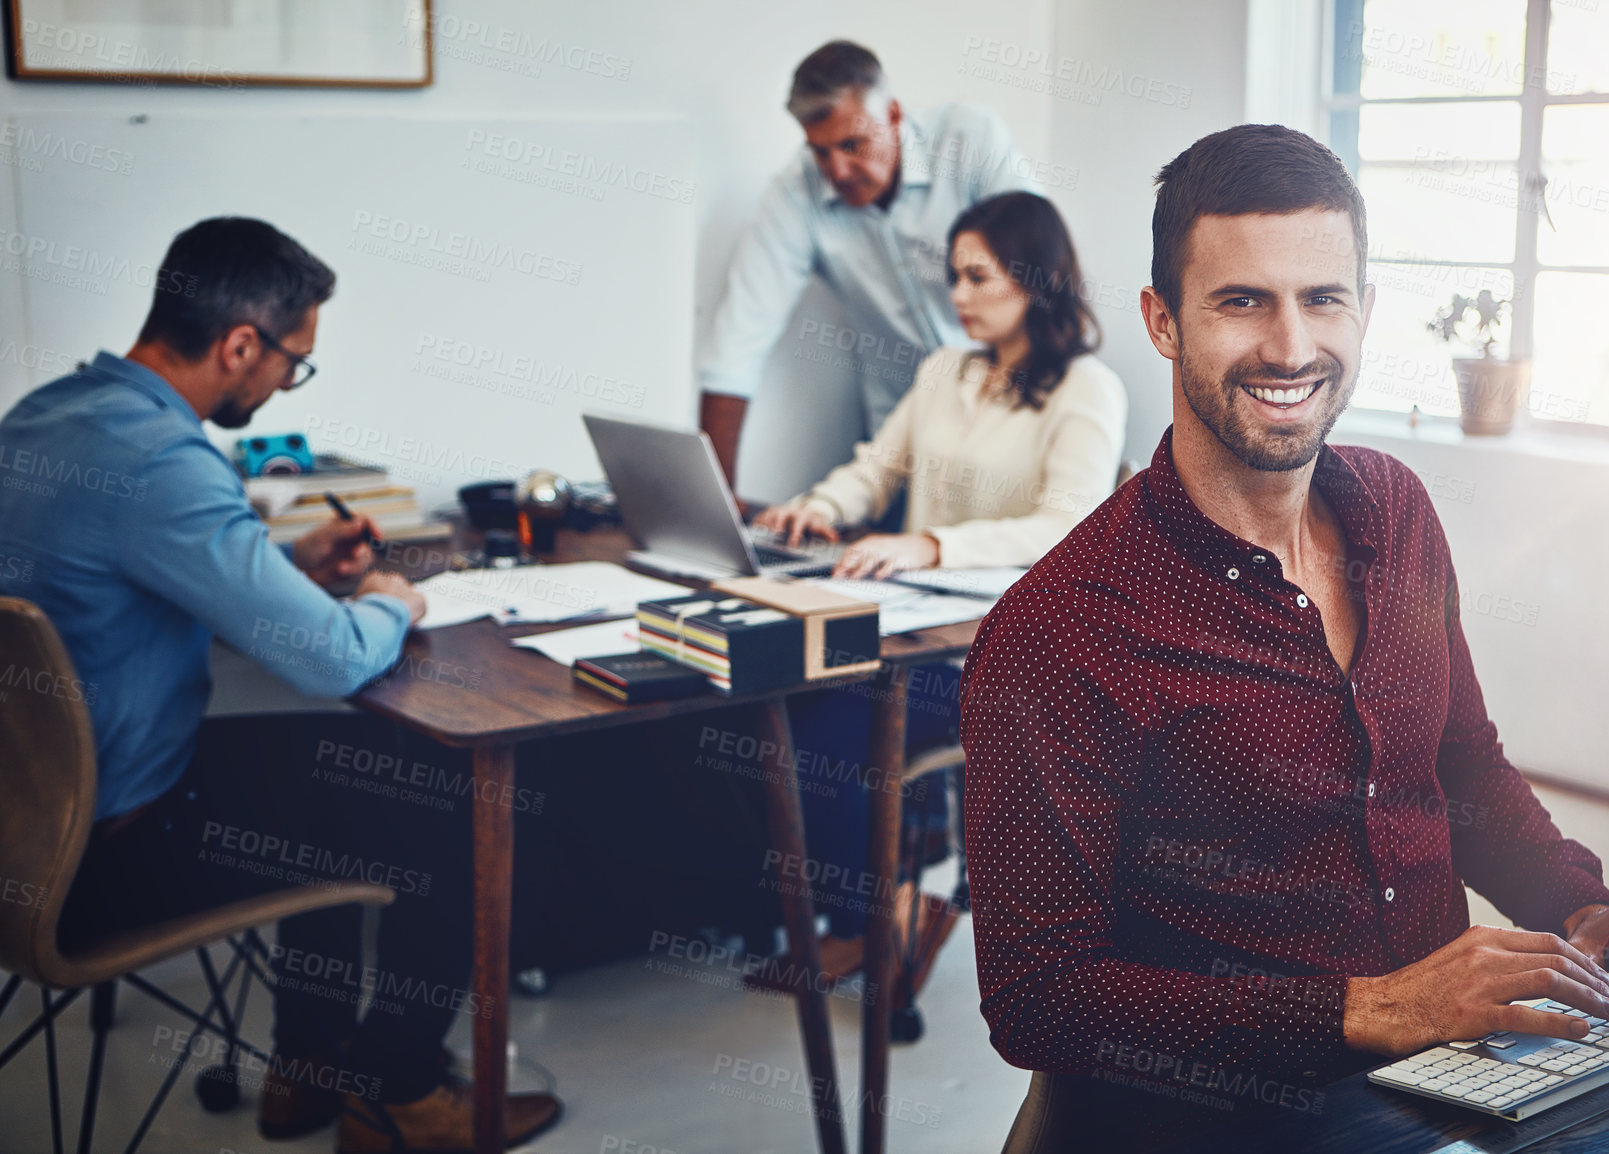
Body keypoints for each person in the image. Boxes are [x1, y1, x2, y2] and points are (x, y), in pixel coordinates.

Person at [959, 126, 1609, 1146]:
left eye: (1323, 297)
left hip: (1449, 1076)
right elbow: (1041, 996)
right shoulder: (1059, 629)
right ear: (1162, 321)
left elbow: (1460, 769)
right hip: (1224, 1114)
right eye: (1241, 301)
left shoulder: (1396, 510)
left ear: (1364, 310)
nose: (1289, 346)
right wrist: (1376, 1004)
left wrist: (1589, 910)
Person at [0, 217, 560, 1153]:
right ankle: (398, 1093)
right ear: (240, 345)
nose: (285, 382)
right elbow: (336, 659)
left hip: (24, 826)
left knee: (329, 765)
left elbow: (136, 563)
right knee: (448, 806)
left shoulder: (47, 417)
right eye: (293, 363)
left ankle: (311, 1066)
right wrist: (392, 600)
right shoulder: (165, 462)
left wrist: (280, 561)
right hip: (104, 862)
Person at [753, 191, 1126, 968]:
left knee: (821, 727)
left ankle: (865, 930)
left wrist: (929, 543)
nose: (958, 297)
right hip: (906, 629)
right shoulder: (942, 371)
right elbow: (875, 468)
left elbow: (1068, 525)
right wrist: (816, 507)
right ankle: (866, 911)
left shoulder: (1087, 388)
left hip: (996, 662)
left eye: (978, 277)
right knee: (779, 697)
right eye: (954, 277)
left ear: (1033, 278)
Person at [699, 39, 1038, 494]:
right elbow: (736, 345)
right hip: (900, 452)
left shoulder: (968, 138)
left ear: (894, 116)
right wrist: (718, 501)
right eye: (820, 152)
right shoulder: (796, 193)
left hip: (1013, 425)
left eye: (852, 144)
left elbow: (1041, 263)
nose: (837, 170)